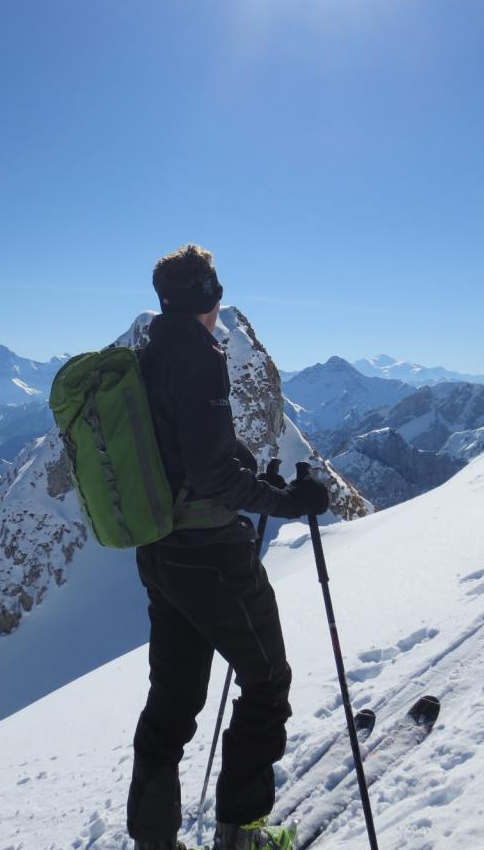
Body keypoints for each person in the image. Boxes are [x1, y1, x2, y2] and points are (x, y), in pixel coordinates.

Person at [128, 244, 330, 850]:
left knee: (174, 699)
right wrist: (288, 501)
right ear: (210, 299)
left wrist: (252, 478)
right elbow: (214, 477)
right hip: (210, 554)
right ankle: (242, 837)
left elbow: (189, 452)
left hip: (160, 551)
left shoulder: (148, 354)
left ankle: (154, 841)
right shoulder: (198, 356)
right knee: (266, 682)